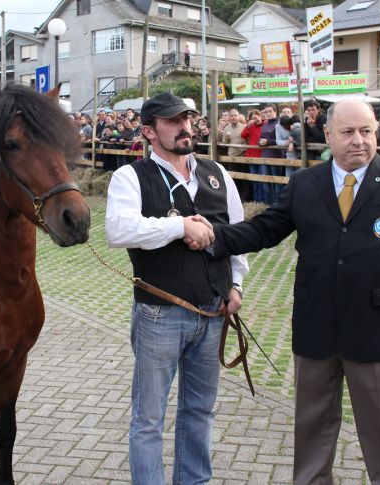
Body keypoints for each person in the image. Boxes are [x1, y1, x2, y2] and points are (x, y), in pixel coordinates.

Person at [191, 98, 380, 485]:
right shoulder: (304, 184)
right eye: (347, 132)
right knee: (312, 427)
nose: (359, 141)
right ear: (327, 135)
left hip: (376, 329)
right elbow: (265, 230)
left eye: (366, 131)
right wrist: (213, 235)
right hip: (315, 329)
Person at [105, 92, 248, 485]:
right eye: (173, 121)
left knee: (201, 410)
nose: (185, 126)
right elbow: (118, 230)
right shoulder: (130, 176)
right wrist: (179, 226)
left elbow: (237, 236)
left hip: (213, 313)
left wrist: (236, 285)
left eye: (187, 118)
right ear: (150, 131)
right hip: (159, 314)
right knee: (149, 418)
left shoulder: (217, 172)